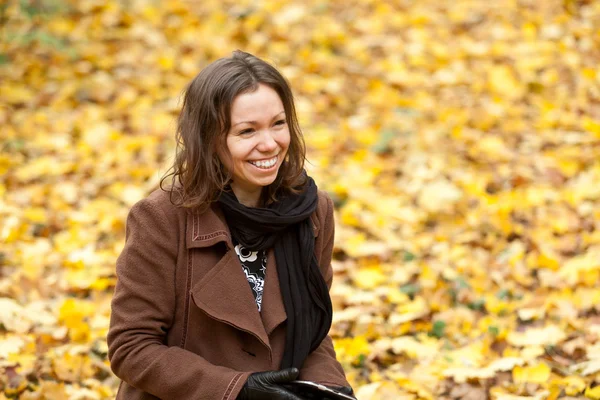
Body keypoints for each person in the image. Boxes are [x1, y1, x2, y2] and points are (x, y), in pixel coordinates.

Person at [107, 50, 354, 399]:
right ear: (209, 139)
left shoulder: (313, 212)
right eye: (247, 131)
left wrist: (332, 389)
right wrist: (235, 390)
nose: (269, 144)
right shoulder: (161, 219)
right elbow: (131, 348)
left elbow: (311, 331)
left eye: (278, 124)